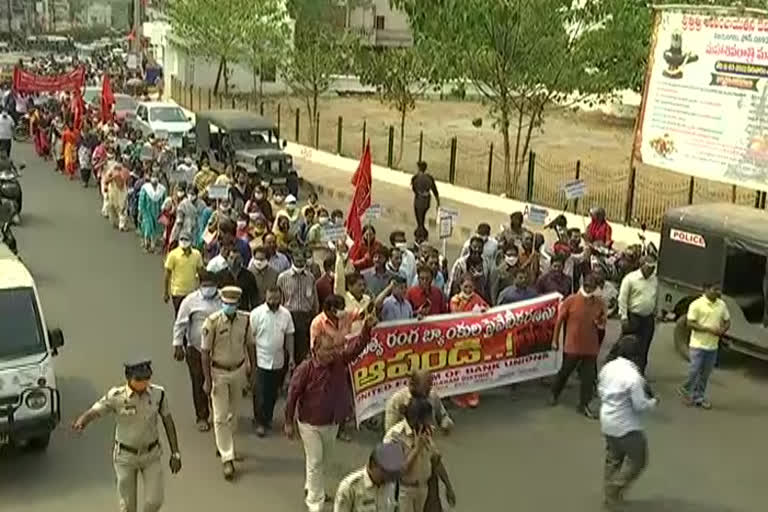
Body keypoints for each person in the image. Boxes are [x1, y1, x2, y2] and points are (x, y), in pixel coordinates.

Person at [285, 315, 377, 512]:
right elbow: (292, 395)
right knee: (316, 460)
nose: (330, 354)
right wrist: (288, 421)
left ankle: (312, 486)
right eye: (326, 350)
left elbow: (356, 348)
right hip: (310, 423)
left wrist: (367, 329)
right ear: (315, 350)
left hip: (332, 422)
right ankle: (315, 503)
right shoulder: (305, 369)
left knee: (323, 460)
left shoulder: (338, 361)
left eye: (332, 349)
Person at [71, 360, 182, 512]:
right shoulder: (116, 396)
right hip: (125, 457)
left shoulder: (158, 394)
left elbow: (168, 421)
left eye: (146, 378)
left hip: (151, 455)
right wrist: (83, 420)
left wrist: (175, 453)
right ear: (129, 378)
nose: (143, 383)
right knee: (128, 506)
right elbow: (97, 409)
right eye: (139, 379)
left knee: (154, 500)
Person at [201, 286, 255, 480]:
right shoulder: (212, 322)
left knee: (235, 414)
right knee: (220, 416)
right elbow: (205, 353)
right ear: (222, 303)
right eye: (226, 304)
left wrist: (252, 373)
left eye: (233, 304)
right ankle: (227, 458)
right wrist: (207, 380)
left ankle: (224, 443)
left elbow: (250, 346)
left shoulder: (245, 320)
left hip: (238, 370)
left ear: (238, 304)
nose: (229, 307)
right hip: (219, 372)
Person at [598, 335, 658, 509]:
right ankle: (614, 487)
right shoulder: (633, 377)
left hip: (607, 420)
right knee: (638, 460)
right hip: (626, 426)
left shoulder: (607, 367)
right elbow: (639, 405)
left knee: (614, 458)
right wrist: (653, 403)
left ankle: (610, 495)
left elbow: (601, 390)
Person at [384, 398, 456, 512]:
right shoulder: (394, 436)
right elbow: (398, 472)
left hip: (423, 489)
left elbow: (435, 461)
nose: (430, 423)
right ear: (416, 419)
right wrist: (417, 449)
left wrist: (448, 486)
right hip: (404, 492)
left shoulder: (425, 431)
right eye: (427, 420)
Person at [550, 274, 606, 419]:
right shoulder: (571, 301)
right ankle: (555, 393)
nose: (589, 289)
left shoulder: (599, 303)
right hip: (573, 345)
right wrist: (555, 340)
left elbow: (602, 323)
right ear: (583, 285)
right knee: (565, 372)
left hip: (590, 346)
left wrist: (600, 323)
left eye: (592, 287)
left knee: (588, 378)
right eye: (587, 286)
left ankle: (584, 405)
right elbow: (559, 321)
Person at [172, 270, 221, 431]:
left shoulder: (223, 299)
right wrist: (178, 345)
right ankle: (202, 416)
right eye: (205, 285)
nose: (209, 288)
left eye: (211, 285)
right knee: (198, 382)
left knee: (218, 383)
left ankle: (219, 415)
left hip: (219, 349)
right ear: (200, 285)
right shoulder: (190, 301)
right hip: (196, 349)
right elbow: (180, 324)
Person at [250, 286, 295, 437]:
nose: (273, 302)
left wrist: (291, 357)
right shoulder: (256, 314)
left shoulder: (286, 315)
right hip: (261, 359)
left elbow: (289, 336)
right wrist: (250, 361)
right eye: (270, 299)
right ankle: (260, 422)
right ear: (266, 297)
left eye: (276, 299)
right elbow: (250, 338)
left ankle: (267, 417)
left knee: (273, 392)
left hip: (278, 360)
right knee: (260, 392)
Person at [679, 283, 730, 409]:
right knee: (694, 370)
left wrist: (722, 330)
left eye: (719, 289)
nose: (718, 292)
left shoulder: (721, 305)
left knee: (705, 374)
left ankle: (699, 397)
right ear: (706, 290)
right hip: (697, 345)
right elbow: (690, 323)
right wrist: (707, 329)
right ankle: (686, 389)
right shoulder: (696, 305)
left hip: (712, 347)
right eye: (714, 289)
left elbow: (727, 321)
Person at [449, 274, 488, 408]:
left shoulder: (477, 298)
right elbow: (456, 316)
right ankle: (458, 395)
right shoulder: (455, 300)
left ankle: (472, 394)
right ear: (460, 286)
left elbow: (488, 309)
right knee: (460, 368)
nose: (468, 289)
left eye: (470, 286)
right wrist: (473, 314)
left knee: (473, 367)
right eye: (465, 286)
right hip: (460, 340)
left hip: (475, 340)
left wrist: (484, 310)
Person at [333, 442, 405, 512]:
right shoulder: (350, 487)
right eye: (385, 472)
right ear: (373, 465)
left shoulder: (391, 485)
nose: (388, 478)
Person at [277, 249, 319, 363]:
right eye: (297, 259)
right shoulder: (282, 278)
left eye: (302, 260)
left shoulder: (310, 277)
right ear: (292, 259)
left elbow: (315, 300)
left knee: (303, 352)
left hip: (306, 317)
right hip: (289, 316)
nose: (300, 262)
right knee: (287, 351)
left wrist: (314, 315)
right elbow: (280, 300)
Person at [618, 256, 658, 375]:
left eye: (653, 268)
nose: (651, 270)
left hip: (648, 319)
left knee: (644, 347)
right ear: (642, 265)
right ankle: (620, 371)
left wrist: (656, 312)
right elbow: (622, 299)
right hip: (633, 317)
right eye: (649, 267)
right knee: (627, 345)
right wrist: (624, 317)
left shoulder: (654, 280)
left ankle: (639, 373)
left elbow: (655, 297)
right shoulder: (630, 279)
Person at [163, 233, 204, 314]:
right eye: (182, 239)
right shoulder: (173, 255)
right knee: (179, 316)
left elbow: (200, 273)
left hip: (191, 292)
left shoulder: (197, 255)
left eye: (186, 240)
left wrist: (202, 289)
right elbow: (167, 274)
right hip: (178, 292)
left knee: (191, 316)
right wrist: (166, 292)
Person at [449, 236, 493, 303]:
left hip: (480, 302)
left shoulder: (486, 264)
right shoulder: (460, 264)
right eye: (474, 247)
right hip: (462, 302)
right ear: (469, 248)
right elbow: (454, 284)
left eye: (480, 248)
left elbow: (488, 286)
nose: (477, 250)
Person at [138, 173, 167, 253]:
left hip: (158, 212)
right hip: (147, 211)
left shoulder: (162, 189)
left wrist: (164, 212)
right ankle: (146, 243)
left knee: (156, 229)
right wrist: (140, 211)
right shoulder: (145, 188)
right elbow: (141, 200)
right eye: (153, 177)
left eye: (156, 177)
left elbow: (165, 201)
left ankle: (153, 244)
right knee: (148, 227)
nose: (154, 179)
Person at [411, 160, 439, 232]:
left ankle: (421, 232)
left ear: (419, 168)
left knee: (419, 218)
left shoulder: (415, 178)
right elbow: (435, 191)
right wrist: (438, 202)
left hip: (419, 199)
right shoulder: (430, 178)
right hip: (427, 200)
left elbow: (414, 189)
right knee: (422, 216)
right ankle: (421, 230)